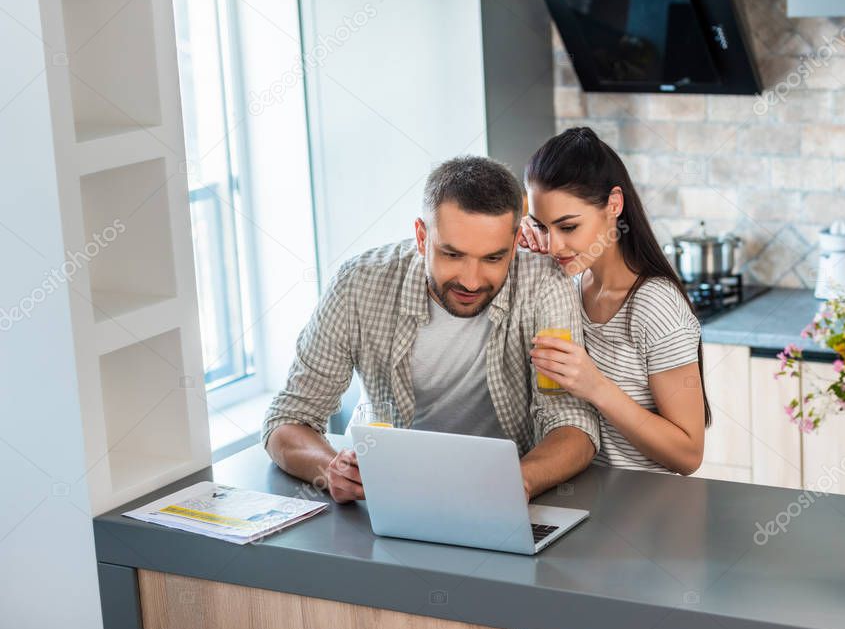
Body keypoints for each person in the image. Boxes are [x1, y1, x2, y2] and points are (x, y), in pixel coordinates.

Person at [262, 156, 599, 503]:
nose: (471, 281)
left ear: (514, 246)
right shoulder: (358, 284)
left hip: (502, 496)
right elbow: (288, 419)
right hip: (386, 495)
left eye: (493, 258)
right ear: (422, 237)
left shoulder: (543, 284)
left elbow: (573, 425)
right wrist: (330, 468)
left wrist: (519, 482)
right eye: (452, 255)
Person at [520, 127, 708, 475]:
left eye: (568, 227)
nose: (553, 246)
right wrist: (517, 239)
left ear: (614, 205)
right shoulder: (568, 283)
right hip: (582, 500)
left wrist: (596, 387)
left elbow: (688, 454)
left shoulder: (655, 307)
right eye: (542, 227)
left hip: (648, 512)